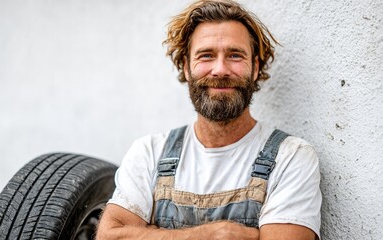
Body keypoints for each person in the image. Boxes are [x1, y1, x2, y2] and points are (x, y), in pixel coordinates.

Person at [97, 0, 322, 239]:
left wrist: (152, 233)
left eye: (235, 55)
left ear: (255, 68)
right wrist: (213, 234)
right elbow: (110, 236)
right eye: (206, 56)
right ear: (186, 67)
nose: (220, 70)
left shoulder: (291, 156)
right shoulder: (149, 152)